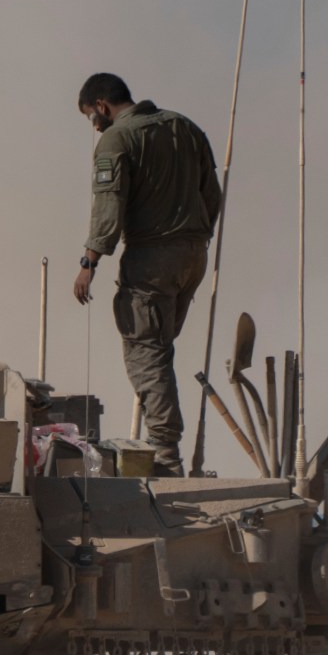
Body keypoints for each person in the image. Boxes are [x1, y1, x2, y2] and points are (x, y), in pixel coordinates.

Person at [70, 72, 223, 476]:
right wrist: (193, 236)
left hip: (151, 258)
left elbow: (109, 207)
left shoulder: (116, 139)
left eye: (92, 116)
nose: (95, 125)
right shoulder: (184, 127)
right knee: (159, 348)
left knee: (147, 352)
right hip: (192, 254)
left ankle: (165, 457)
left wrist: (89, 262)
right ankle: (164, 444)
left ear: (101, 106)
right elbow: (212, 194)